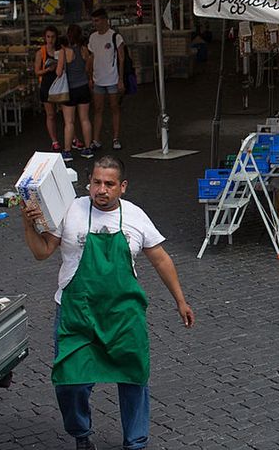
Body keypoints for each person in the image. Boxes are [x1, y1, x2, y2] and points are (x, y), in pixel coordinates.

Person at [20, 155, 195, 450]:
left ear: (122, 186)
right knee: (70, 382)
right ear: (89, 183)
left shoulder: (136, 216)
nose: (101, 190)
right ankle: (81, 434)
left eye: (109, 184)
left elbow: (161, 259)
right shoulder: (70, 210)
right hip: (77, 314)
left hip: (123, 316)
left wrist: (181, 300)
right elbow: (42, 252)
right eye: (96, 182)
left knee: (134, 377)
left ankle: (135, 443)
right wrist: (28, 224)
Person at [87, 8, 126, 151]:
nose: (95, 23)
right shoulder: (93, 37)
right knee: (98, 109)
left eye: (97, 20)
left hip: (112, 78)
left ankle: (116, 138)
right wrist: (90, 76)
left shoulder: (115, 36)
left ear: (104, 20)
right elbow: (91, 57)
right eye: (93, 21)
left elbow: (121, 59)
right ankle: (96, 139)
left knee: (114, 108)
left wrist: (120, 79)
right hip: (98, 79)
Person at [57, 25, 94, 159]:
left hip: (70, 89)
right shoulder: (84, 50)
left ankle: (67, 151)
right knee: (85, 119)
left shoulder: (64, 52)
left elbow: (59, 72)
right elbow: (88, 69)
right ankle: (88, 148)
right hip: (83, 87)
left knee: (69, 122)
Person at [35, 26, 63, 153]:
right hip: (47, 85)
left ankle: (72, 137)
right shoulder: (41, 53)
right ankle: (54, 141)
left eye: (53, 37)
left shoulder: (60, 51)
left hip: (60, 84)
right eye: (48, 37)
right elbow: (37, 71)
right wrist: (47, 69)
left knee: (66, 114)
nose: (50, 40)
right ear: (44, 38)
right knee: (50, 114)